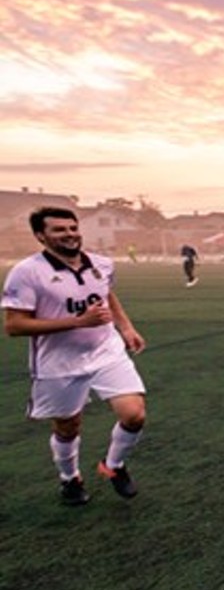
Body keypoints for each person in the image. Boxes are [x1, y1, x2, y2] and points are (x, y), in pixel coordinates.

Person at [2, 207, 148, 505]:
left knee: (134, 414)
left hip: (106, 351)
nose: (69, 234)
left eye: (72, 228)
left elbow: (106, 294)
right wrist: (78, 322)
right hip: (59, 361)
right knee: (68, 427)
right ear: (41, 236)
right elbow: (14, 325)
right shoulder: (27, 272)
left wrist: (126, 328)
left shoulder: (101, 263)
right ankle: (70, 478)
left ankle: (114, 466)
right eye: (59, 230)